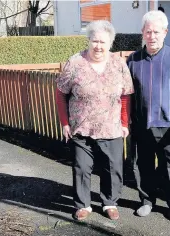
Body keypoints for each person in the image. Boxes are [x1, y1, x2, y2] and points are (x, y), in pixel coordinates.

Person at [55, 21, 134, 221]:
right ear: (88, 40)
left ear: (110, 43)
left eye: (103, 42)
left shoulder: (119, 64)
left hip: (111, 127)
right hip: (81, 127)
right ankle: (83, 205)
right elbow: (61, 93)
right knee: (81, 167)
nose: (98, 46)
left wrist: (125, 123)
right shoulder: (75, 63)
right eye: (94, 40)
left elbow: (126, 95)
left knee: (112, 167)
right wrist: (65, 122)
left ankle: (109, 203)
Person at [127, 10, 170, 221]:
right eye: (148, 32)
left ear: (165, 32)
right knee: (143, 165)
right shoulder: (133, 60)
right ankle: (147, 201)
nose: (152, 36)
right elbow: (125, 94)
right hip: (141, 124)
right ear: (142, 33)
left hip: (168, 124)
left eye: (156, 32)